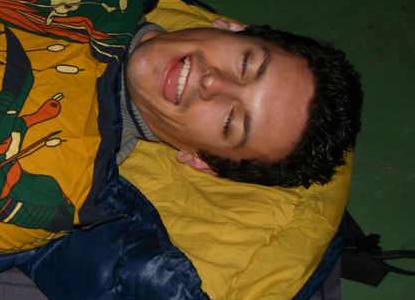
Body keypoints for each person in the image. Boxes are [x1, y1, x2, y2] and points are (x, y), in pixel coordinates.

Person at [119, 18, 364, 188]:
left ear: (202, 161)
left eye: (229, 122)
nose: (212, 82)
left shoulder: (92, 155)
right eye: (245, 64)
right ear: (233, 28)